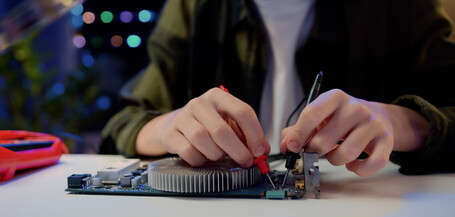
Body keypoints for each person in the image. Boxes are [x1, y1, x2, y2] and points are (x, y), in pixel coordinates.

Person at [100, 0, 455, 176]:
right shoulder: (193, 7)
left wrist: (400, 122)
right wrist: (169, 128)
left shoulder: (402, 8)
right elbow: (122, 125)